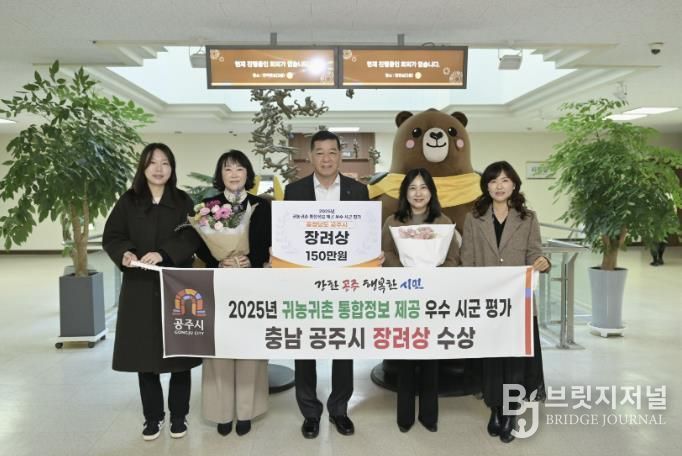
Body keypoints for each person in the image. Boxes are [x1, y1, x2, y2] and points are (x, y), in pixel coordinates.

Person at [103, 143, 201, 441]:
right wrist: (125, 252)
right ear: (143, 167)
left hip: (177, 286)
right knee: (144, 354)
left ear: (172, 168)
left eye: (165, 163)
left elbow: (193, 236)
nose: (159, 169)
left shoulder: (183, 201)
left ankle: (179, 415)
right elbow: (113, 235)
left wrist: (164, 253)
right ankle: (153, 416)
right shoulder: (129, 201)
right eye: (152, 163)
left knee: (180, 354)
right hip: (140, 287)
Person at [284, 130, 369, 438]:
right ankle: (310, 411)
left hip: (345, 282)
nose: (326, 158)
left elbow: (365, 236)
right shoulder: (294, 191)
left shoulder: (358, 191)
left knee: (343, 344)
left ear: (340, 155)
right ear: (310, 157)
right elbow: (288, 236)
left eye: (332, 152)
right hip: (306, 281)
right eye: (319, 152)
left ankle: (339, 409)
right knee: (305, 344)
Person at [460, 161, 550, 444]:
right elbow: (467, 260)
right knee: (492, 358)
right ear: (486, 186)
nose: (499, 186)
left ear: (514, 185)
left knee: (514, 360)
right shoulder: (474, 218)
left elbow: (535, 253)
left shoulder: (528, 218)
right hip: (487, 302)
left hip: (518, 302)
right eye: (493, 181)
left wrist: (542, 261)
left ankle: (510, 412)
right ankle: (495, 408)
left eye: (505, 180)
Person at [196, 150, 271, 437]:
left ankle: (246, 411)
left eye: (240, 168)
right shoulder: (208, 207)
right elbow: (199, 244)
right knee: (220, 349)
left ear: (247, 173)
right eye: (228, 169)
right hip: (220, 285)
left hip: (254, 285)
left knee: (250, 347)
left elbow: (271, 242)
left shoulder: (263, 206)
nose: (234, 174)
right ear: (221, 174)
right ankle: (221, 412)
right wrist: (220, 261)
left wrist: (253, 259)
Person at [381, 168, 461, 433]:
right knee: (405, 356)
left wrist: (434, 275)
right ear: (405, 193)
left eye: (423, 187)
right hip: (404, 297)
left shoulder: (443, 221)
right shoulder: (393, 221)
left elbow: (453, 257)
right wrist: (407, 272)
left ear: (431, 192)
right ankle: (404, 415)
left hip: (433, 299)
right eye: (412, 188)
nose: (418, 193)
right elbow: (385, 253)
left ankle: (429, 415)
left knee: (430, 357)